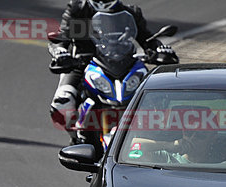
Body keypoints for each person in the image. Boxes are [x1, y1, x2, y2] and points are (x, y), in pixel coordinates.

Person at [49, 0, 175, 133]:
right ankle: (76, 138)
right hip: (81, 64)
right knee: (63, 101)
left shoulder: (130, 12)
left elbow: (147, 39)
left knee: (155, 95)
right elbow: (62, 38)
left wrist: (160, 49)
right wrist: (60, 51)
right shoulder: (78, 10)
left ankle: (157, 135)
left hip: (123, 64)